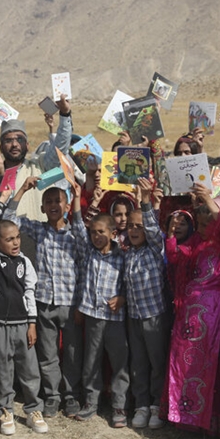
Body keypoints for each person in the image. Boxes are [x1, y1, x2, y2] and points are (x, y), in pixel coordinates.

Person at [164, 184, 220, 436]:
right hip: (190, 319)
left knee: (213, 368)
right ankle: (187, 417)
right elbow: (176, 258)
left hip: (217, 316)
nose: (203, 218)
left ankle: (212, 421)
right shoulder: (198, 242)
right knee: (188, 367)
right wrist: (171, 235)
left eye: (209, 214)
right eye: (201, 214)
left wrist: (210, 201)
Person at [3, 176, 83, 418]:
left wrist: (78, 197)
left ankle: (71, 396)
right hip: (45, 302)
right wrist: (23, 190)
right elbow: (9, 220)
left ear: (67, 206)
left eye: (58, 201)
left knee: (71, 354)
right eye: (48, 201)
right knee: (47, 355)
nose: (53, 205)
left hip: (70, 303)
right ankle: (52, 396)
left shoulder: (75, 233)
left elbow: (81, 230)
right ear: (42, 207)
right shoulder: (39, 229)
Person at [0, 193, 48, 435]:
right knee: (2, 370)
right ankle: (5, 409)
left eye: (17, 237)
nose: (15, 243)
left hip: (23, 325)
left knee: (29, 369)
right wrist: (2, 200)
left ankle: (32, 410)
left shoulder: (24, 262)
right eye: (9, 239)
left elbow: (29, 292)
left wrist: (32, 323)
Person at [68, 181, 129, 426]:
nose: (95, 236)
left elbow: (127, 284)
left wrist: (122, 297)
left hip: (115, 319)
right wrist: (77, 198)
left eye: (101, 232)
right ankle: (91, 402)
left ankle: (119, 406)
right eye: (93, 232)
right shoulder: (87, 251)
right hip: (92, 317)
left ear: (113, 234)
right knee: (91, 360)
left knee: (119, 362)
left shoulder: (123, 256)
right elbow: (77, 226)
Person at [122, 179, 172, 429]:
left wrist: (145, 200)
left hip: (154, 316)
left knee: (156, 362)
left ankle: (156, 406)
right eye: (130, 226)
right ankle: (141, 405)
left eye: (138, 226)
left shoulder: (155, 248)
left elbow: (153, 228)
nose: (134, 230)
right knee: (138, 362)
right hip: (134, 317)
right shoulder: (127, 253)